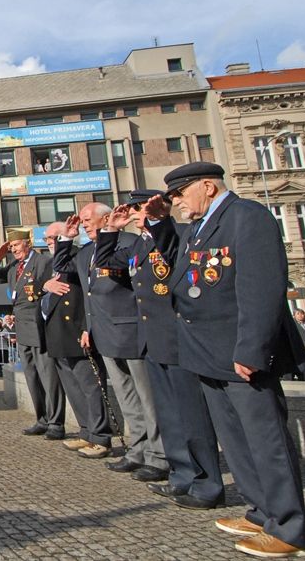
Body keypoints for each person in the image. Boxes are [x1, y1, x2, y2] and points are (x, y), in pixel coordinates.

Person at [150, 161, 305, 558]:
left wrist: (252, 349)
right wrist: (159, 223)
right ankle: (261, 512)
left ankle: (289, 528)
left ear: (207, 186)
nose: (177, 202)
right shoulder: (199, 228)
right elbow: (180, 276)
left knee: (266, 441)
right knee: (237, 442)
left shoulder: (245, 217)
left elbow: (261, 289)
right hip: (207, 353)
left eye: (180, 193)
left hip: (241, 354)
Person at [96, 192, 224, 505]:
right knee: (169, 416)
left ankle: (206, 482)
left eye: (137, 209)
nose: (133, 215)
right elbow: (106, 263)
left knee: (192, 417)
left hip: (178, 339)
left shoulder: (177, 235)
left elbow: (174, 257)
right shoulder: (137, 245)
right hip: (152, 340)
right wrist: (111, 230)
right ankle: (182, 475)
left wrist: (159, 222)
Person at [57, 205, 167, 477]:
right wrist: (66, 239)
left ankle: (159, 454)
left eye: (86, 220)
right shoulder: (85, 253)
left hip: (132, 331)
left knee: (148, 399)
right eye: (81, 222)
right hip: (105, 334)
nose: (83, 225)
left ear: (106, 219)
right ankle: (137, 450)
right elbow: (63, 267)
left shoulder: (130, 243)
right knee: (127, 398)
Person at [40, 221, 113, 459]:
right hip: (57, 334)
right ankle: (85, 431)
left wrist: (86, 328)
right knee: (73, 389)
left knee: (91, 387)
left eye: (52, 237)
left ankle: (100, 435)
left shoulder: (79, 256)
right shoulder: (54, 263)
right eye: (47, 239)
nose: (48, 242)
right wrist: (45, 286)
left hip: (76, 331)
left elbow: (88, 296)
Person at [0, 227, 65, 440]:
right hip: (22, 328)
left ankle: (56, 422)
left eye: (16, 245)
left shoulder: (43, 262)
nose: (13, 250)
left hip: (39, 326)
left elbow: (49, 289)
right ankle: (42, 419)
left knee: (48, 376)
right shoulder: (13, 267)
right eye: (11, 247)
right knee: (32, 376)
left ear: (28, 243)